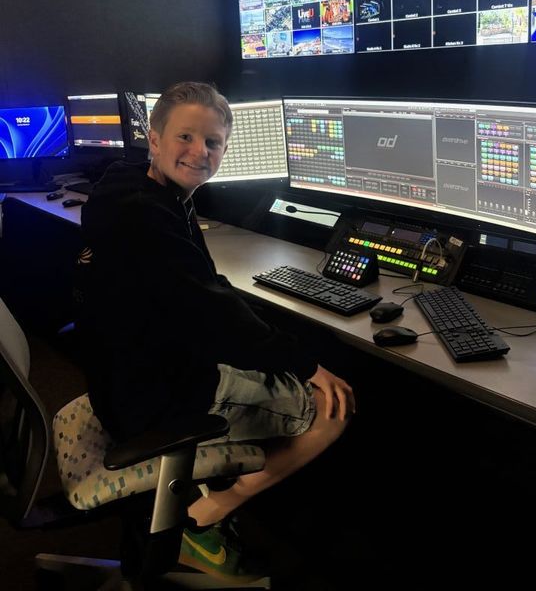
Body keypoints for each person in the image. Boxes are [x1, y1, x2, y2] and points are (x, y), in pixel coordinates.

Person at [75, 81, 355, 583]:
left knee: (273, 346)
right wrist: (306, 364)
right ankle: (211, 511)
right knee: (332, 407)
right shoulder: (146, 217)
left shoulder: (128, 187)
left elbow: (200, 293)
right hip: (156, 397)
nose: (199, 153)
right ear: (154, 139)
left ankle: (203, 498)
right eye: (185, 137)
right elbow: (213, 316)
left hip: (123, 376)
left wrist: (256, 330)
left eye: (212, 143)